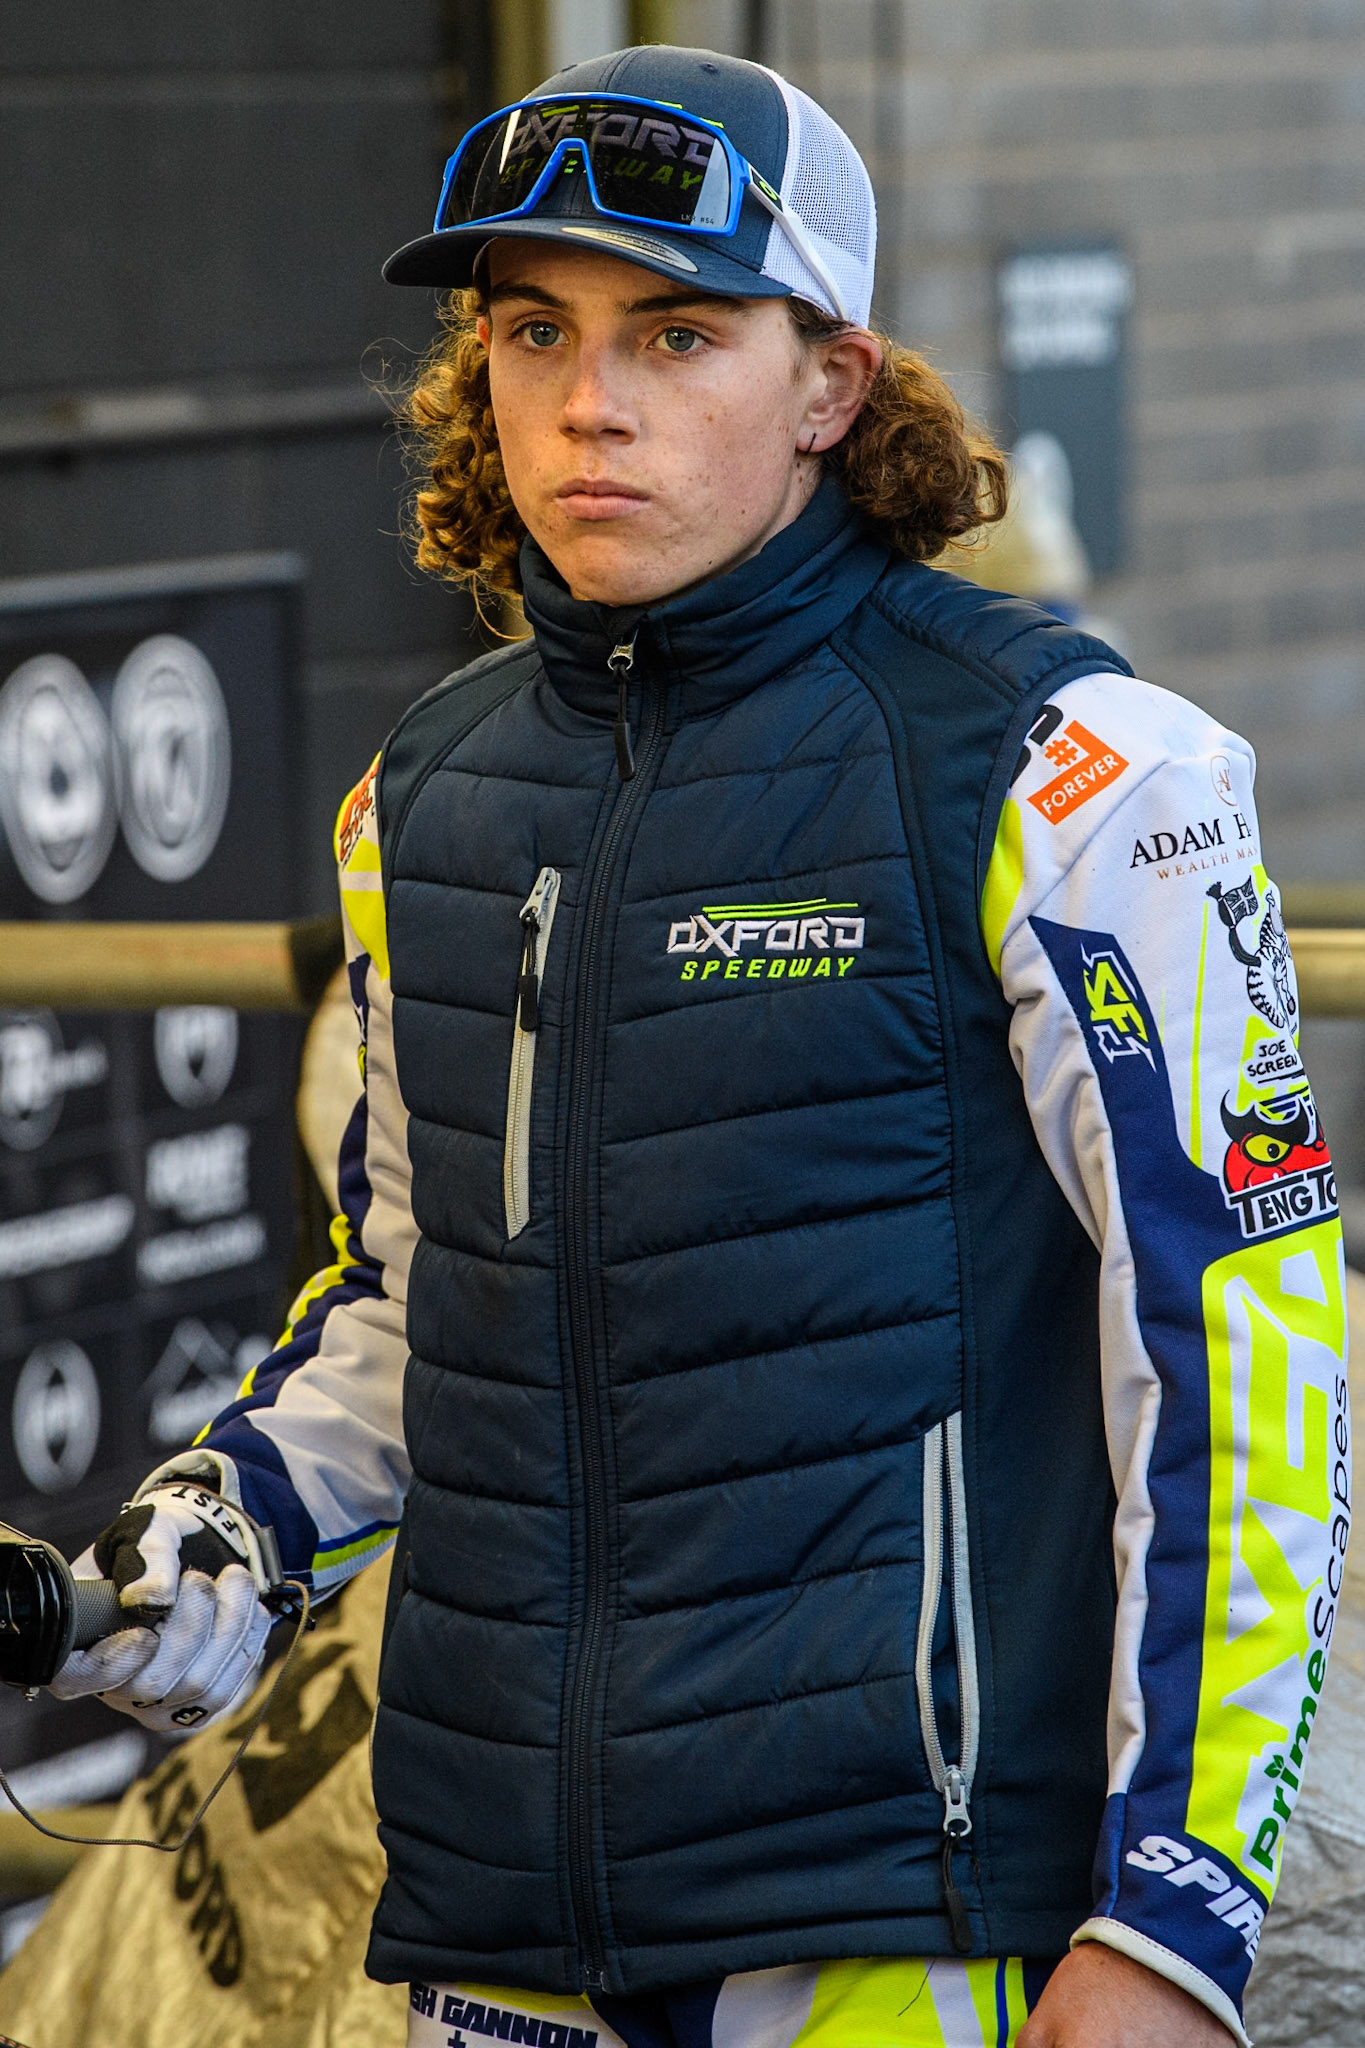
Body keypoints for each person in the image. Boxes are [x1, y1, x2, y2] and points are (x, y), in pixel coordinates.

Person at [52, 45, 1347, 2048]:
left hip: (891, 1930)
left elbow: (1245, 1341)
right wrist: (232, 1519)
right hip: (487, 1925)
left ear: (826, 381)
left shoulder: (1072, 770)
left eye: (676, 329)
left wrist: (1171, 1912)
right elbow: (415, 1307)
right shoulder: (421, 793)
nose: (591, 399)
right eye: (529, 331)